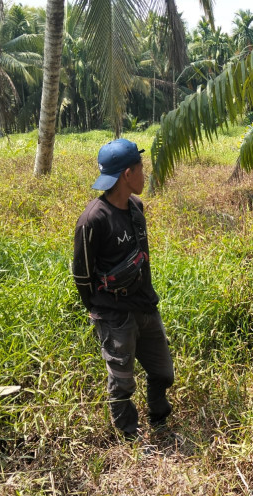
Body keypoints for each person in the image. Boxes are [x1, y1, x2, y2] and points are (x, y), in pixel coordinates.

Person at [72, 138, 174, 438]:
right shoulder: (93, 220)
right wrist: (97, 310)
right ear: (128, 174)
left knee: (163, 372)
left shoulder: (136, 207)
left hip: (145, 306)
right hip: (114, 315)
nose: (145, 174)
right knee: (122, 382)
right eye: (142, 168)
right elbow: (82, 275)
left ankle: (159, 419)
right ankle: (128, 434)